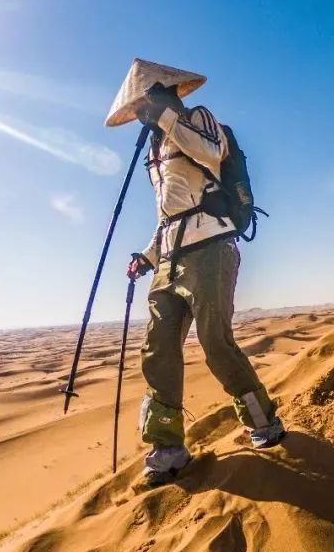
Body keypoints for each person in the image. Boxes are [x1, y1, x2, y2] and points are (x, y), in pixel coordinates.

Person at [116, 69, 284, 486]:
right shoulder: (154, 152)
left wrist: (169, 118)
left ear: (162, 93)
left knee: (214, 342)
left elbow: (212, 153)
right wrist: (148, 256)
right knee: (157, 348)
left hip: (211, 249)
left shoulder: (199, 119)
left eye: (145, 102)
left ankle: (264, 423)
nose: (141, 112)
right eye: (139, 106)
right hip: (170, 258)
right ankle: (168, 447)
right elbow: (168, 216)